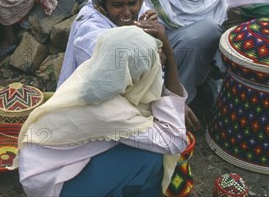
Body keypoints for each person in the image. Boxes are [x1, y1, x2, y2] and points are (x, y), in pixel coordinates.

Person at [17, 25, 188, 197]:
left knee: (143, 149)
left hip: (45, 167)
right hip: (53, 184)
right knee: (151, 159)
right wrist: (171, 60)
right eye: (153, 64)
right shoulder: (109, 111)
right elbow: (174, 140)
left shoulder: (93, 74)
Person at [144, 0, 226, 119]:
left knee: (207, 31)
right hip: (164, 53)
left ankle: (179, 102)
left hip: (200, 59)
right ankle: (174, 102)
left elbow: (219, 34)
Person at [58, 0, 157, 86]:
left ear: (140, 0)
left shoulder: (143, 12)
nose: (126, 12)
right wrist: (140, 37)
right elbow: (107, 66)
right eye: (117, 5)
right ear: (103, 3)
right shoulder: (89, 25)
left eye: (132, 3)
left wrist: (156, 35)